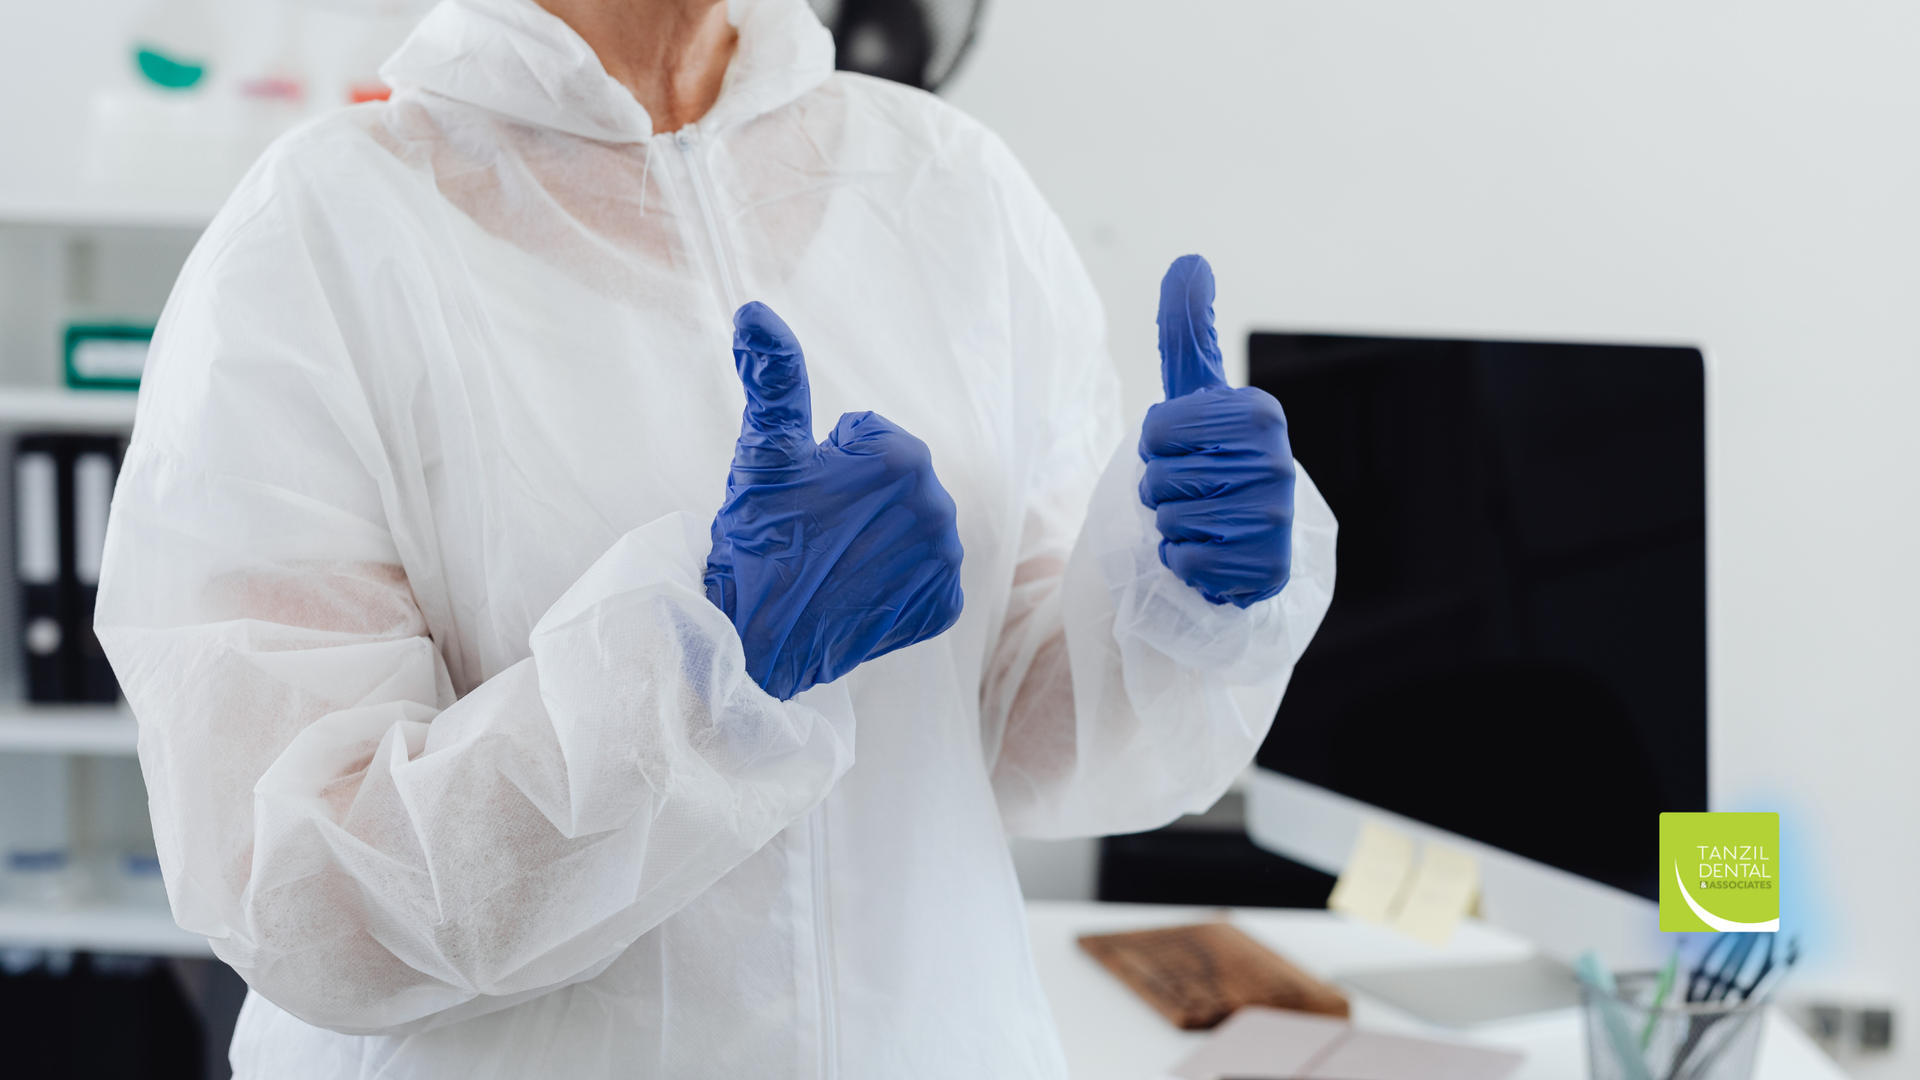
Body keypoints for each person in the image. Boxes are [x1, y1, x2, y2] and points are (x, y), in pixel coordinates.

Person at [93, 0, 1337, 1076]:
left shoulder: (947, 183)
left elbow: (1018, 731)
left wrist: (1183, 597)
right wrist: (710, 667)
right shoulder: (317, 239)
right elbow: (306, 892)